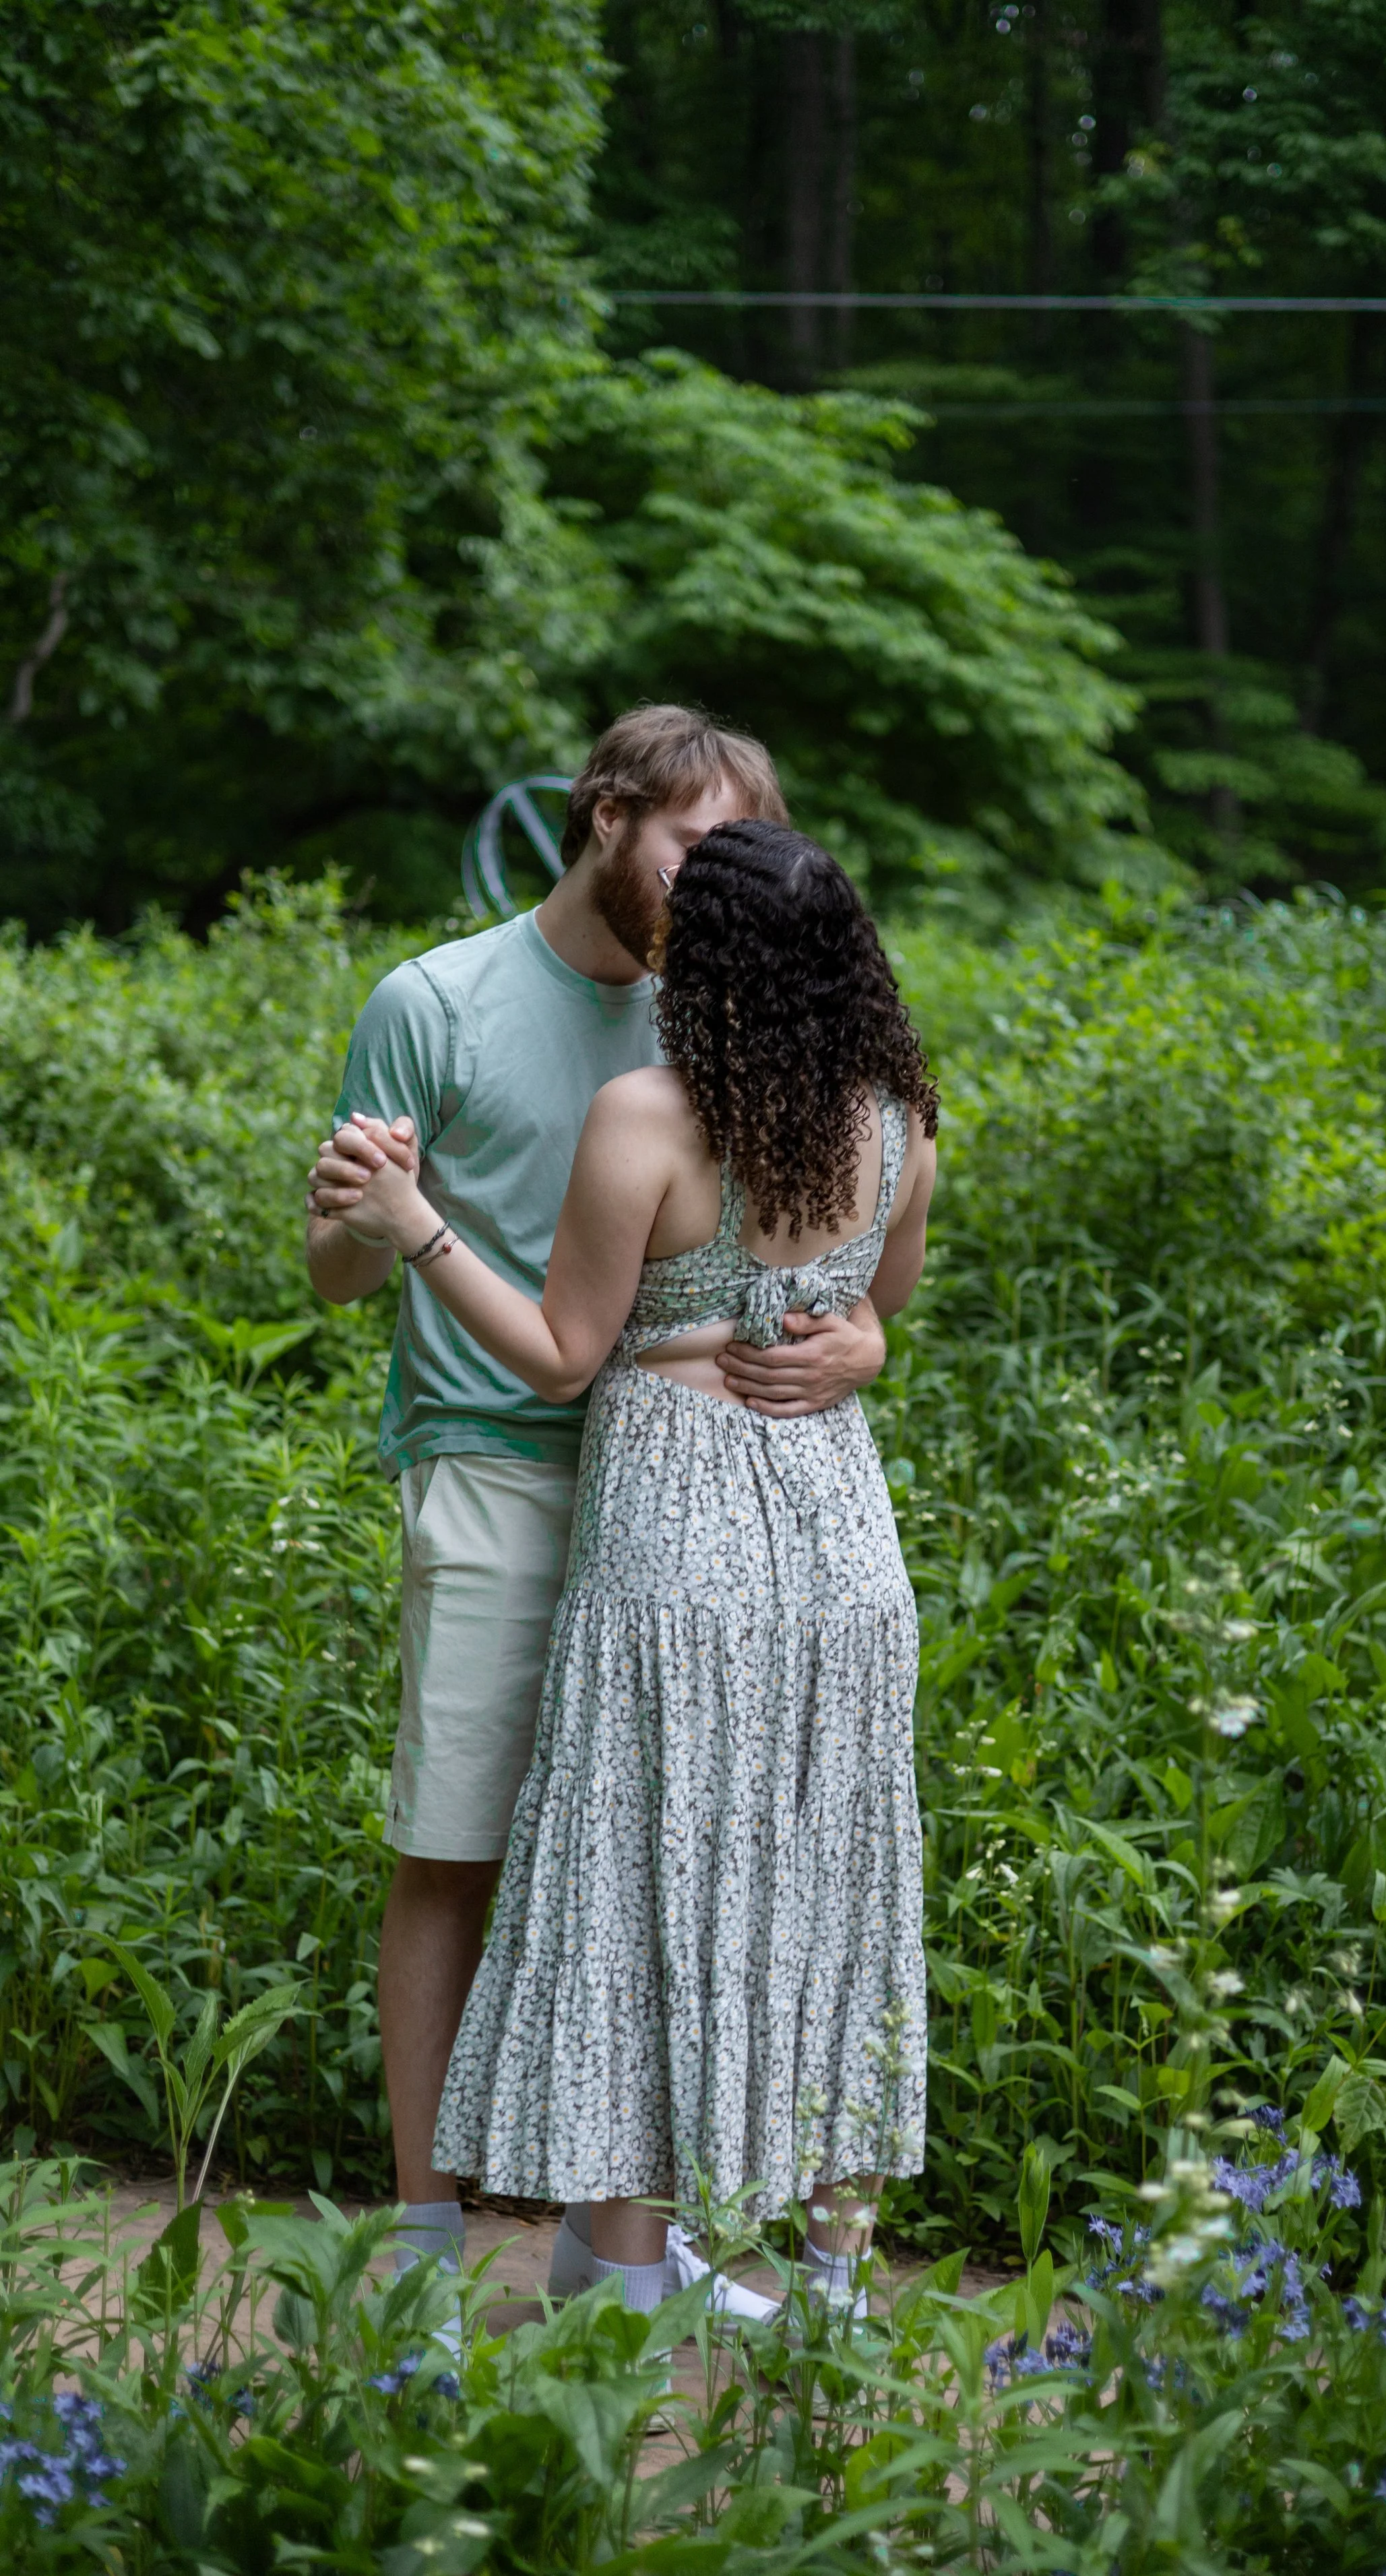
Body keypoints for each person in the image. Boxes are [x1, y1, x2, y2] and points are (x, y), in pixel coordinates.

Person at [306, 712, 891, 2301]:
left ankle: (618, 2245)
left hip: (695, 1495)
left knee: (655, 1858)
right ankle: (432, 2243)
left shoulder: (729, 1010)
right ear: (605, 817)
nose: (703, 886)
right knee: (460, 1847)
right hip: (503, 1459)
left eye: (730, 857)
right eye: (687, 846)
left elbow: (824, 1257)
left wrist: (863, 1335)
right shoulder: (437, 1001)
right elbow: (334, 1269)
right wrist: (381, 1222)